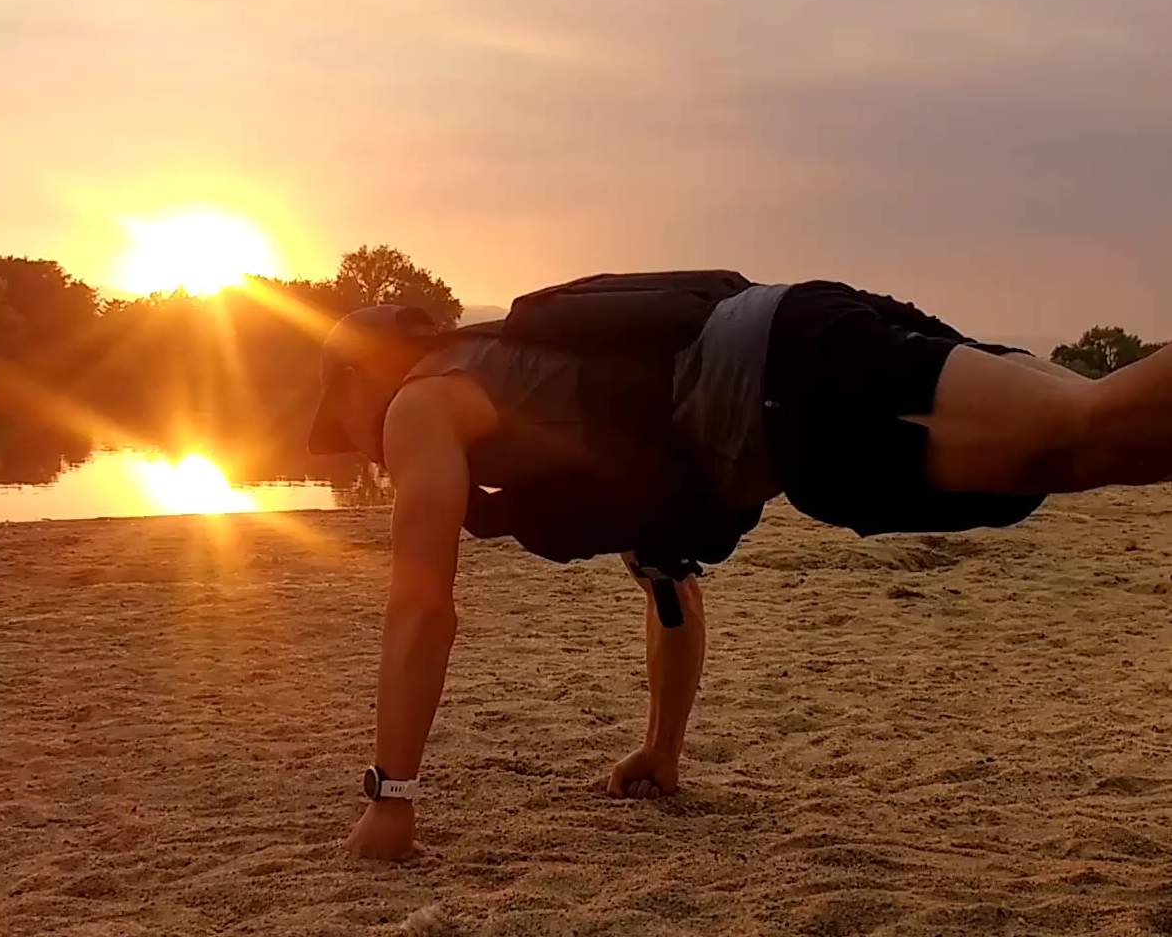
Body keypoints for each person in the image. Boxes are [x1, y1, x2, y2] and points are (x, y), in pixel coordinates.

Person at [306, 276, 1172, 862]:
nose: (361, 447)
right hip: (798, 350)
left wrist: (392, 798)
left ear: (359, 375)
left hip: (792, 376)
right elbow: (667, 580)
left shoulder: (419, 402)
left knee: (1084, 432)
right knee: (1090, 441)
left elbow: (419, 606)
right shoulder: (542, 382)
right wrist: (661, 750)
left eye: (339, 413)